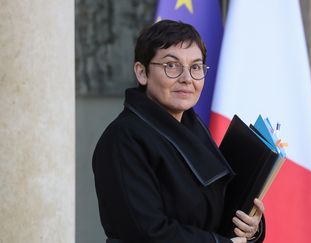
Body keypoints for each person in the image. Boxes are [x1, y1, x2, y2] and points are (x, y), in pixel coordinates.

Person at [92, 19, 265, 243]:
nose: (186, 79)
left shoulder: (193, 127)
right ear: (142, 72)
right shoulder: (123, 138)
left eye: (195, 67)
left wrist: (249, 227)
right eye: (171, 66)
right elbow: (145, 232)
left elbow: (216, 207)